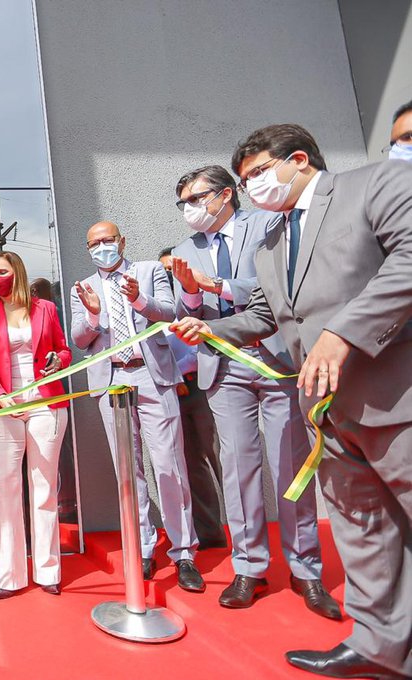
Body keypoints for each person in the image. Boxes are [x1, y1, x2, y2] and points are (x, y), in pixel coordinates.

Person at [173, 123, 412, 680]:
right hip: (327, 410)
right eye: (247, 177)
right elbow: (264, 316)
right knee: (362, 529)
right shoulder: (273, 242)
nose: (254, 186)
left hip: (392, 397)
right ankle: (381, 646)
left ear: (298, 159)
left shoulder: (373, 186)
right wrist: (206, 330)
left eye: (258, 173)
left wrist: (346, 331)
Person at [169, 166, 336, 618]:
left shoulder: (267, 223)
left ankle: (306, 569)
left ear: (225, 194)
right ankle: (249, 567)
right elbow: (193, 308)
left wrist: (219, 284)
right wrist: (189, 294)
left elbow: (279, 286)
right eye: (183, 203)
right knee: (238, 470)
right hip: (224, 368)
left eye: (196, 198)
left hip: (277, 360)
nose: (190, 209)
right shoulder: (186, 250)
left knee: (290, 466)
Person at [68, 222, 203, 593]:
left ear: (122, 241)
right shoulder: (82, 287)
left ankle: (184, 552)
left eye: (108, 240)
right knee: (129, 470)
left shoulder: (148, 271)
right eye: (94, 243)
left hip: (151, 375)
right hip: (111, 381)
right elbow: (80, 340)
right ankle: (143, 547)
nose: (102, 248)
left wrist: (138, 300)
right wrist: (93, 315)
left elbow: (169, 312)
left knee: (169, 466)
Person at [0, 251, 70, 598]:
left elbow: (63, 349)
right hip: (2, 407)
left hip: (46, 402)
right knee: (6, 489)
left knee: (44, 488)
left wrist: (58, 360)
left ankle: (48, 572)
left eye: (2, 271)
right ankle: (9, 576)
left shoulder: (46, 309)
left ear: (18, 271)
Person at [157, 247, 224, 550]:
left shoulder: (200, 300)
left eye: (173, 269)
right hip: (174, 391)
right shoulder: (158, 306)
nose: (169, 275)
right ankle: (210, 534)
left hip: (204, 385)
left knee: (223, 457)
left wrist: (182, 373)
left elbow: (203, 345)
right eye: (165, 271)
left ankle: (248, 533)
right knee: (191, 464)